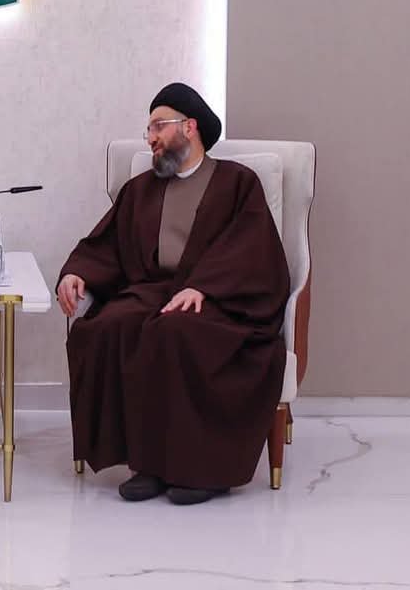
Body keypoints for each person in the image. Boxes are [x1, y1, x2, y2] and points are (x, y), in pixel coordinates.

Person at [58, 82, 289, 505]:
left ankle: (202, 471)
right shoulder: (140, 190)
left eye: (157, 126)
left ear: (189, 126)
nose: (149, 138)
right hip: (154, 292)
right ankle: (147, 464)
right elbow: (106, 244)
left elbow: (252, 250)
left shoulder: (237, 182)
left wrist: (204, 285)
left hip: (223, 300)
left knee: (174, 331)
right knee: (106, 327)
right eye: (148, 130)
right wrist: (77, 273)